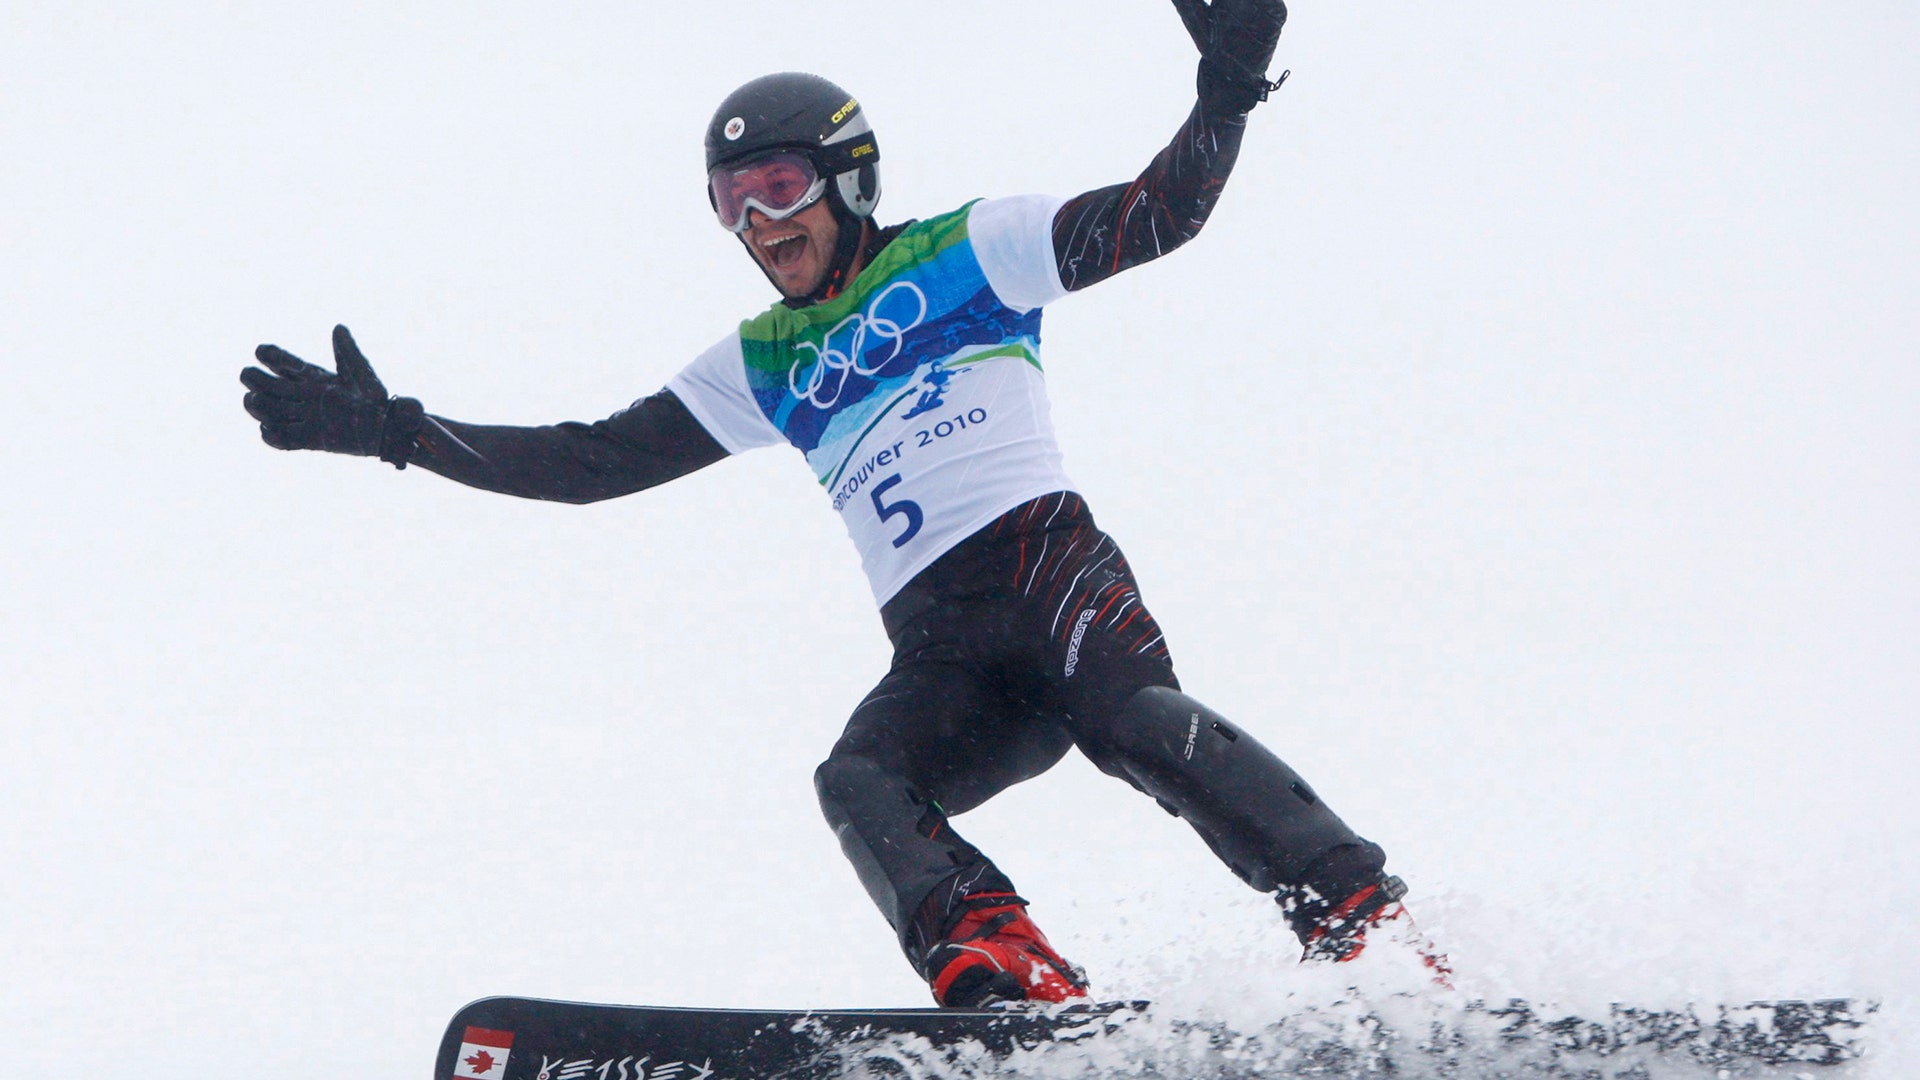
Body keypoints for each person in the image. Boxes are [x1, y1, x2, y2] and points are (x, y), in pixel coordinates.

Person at [241, 0, 1442, 1007]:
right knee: (861, 779)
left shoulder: (972, 248)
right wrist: (396, 434)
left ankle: (1361, 918)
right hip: (942, 645)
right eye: (731, 201)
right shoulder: (760, 360)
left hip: (1049, 575)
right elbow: (591, 460)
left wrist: (1225, 95)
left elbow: (1157, 215)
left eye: (778, 186)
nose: (760, 225)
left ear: (849, 178)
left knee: (1136, 724)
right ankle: (1007, 970)